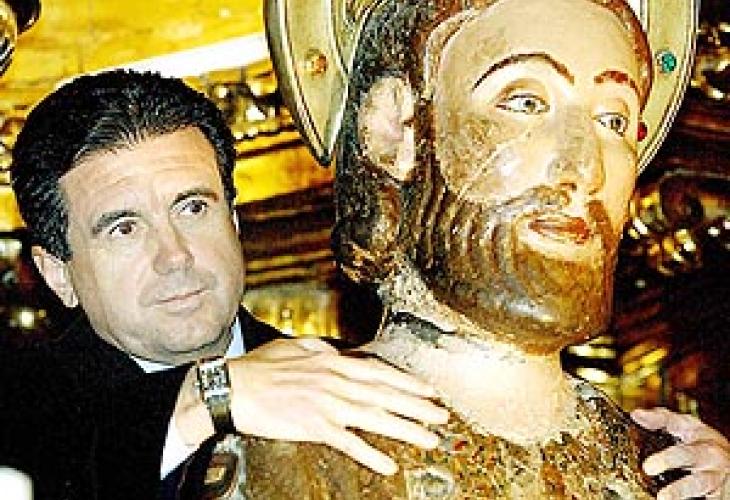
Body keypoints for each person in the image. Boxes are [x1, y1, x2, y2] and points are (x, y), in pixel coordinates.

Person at [245, 0, 730, 497]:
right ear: (397, 129)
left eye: (613, 121)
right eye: (526, 103)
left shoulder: (668, 473)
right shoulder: (301, 449)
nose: (586, 169)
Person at [1, 69, 449, 499]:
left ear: (233, 222)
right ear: (58, 274)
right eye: (125, 229)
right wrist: (207, 398)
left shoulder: (358, 384)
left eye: (193, 208)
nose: (175, 255)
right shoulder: (20, 418)